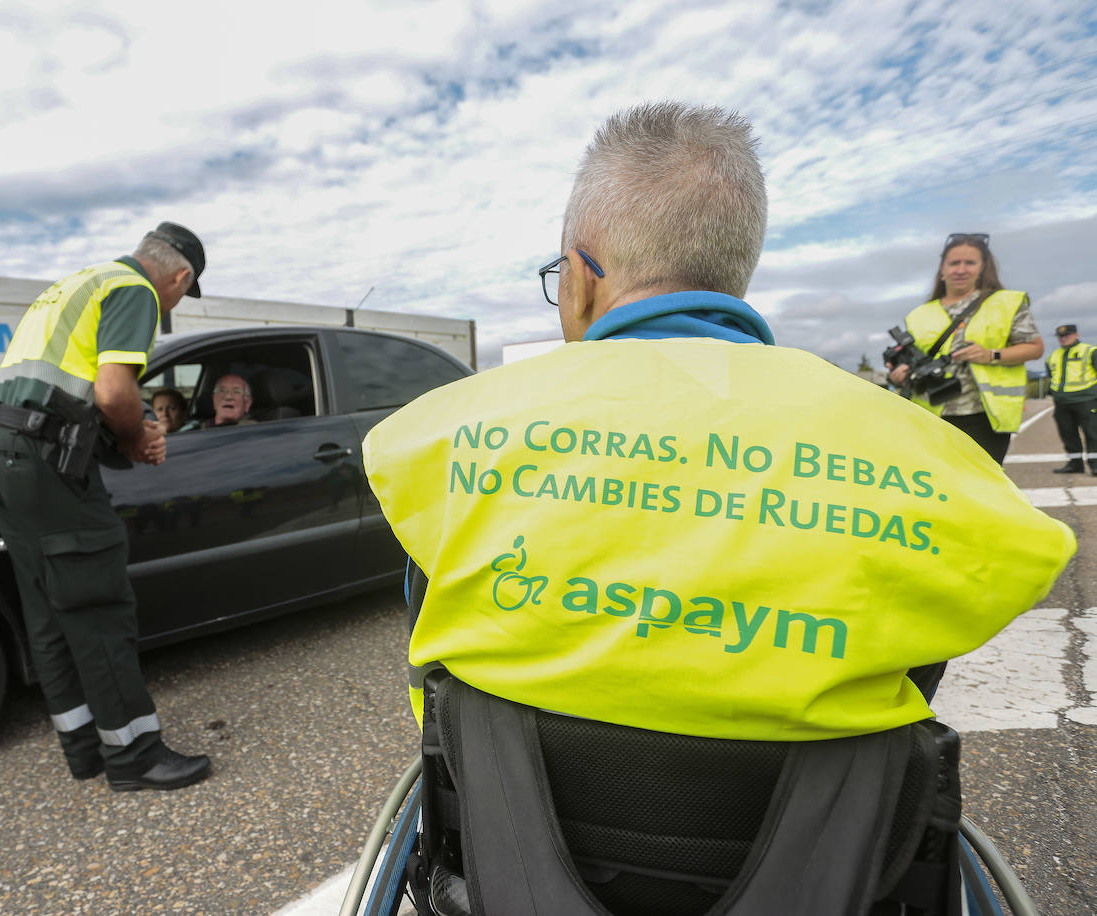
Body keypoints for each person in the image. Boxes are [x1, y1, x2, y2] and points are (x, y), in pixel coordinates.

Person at [362, 103, 1073, 748]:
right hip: (821, 855)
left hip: (508, 843)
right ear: (735, 272)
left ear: (579, 276)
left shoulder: (444, 433)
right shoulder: (928, 459)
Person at [0, 222, 213, 791]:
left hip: (0, 451)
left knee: (50, 609)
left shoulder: (78, 284)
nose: (176, 301)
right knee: (97, 606)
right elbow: (111, 392)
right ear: (179, 276)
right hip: (43, 463)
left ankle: (85, 749)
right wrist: (136, 436)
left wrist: (132, 427)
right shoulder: (134, 291)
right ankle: (134, 759)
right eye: (184, 291)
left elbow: (67, 393)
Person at [887, 234, 1042, 464]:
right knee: (935, 488)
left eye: (970, 263)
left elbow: (1034, 348)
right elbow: (908, 361)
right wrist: (899, 376)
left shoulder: (1006, 303)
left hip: (983, 416)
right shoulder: (918, 315)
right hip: (929, 416)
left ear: (983, 267)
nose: (961, 269)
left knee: (981, 488)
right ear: (942, 268)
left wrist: (990, 355)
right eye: (954, 263)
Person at [1046, 324, 1097, 474]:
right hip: (1062, 402)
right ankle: (1075, 464)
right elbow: (1052, 376)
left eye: (1067, 335)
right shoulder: (1052, 356)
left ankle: (1095, 465)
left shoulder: (1090, 351)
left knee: (1093, 433)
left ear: (1076, 335)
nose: (1063, 338)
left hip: (1086, 400)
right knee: (1068, 434)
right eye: (1060, 336)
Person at [182, 373, 257, 429]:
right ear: (214, 399)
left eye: (236, 391)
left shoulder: (253, 431)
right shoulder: (196, 428)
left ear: (247, 403)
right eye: (222, 390)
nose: (228, 397)